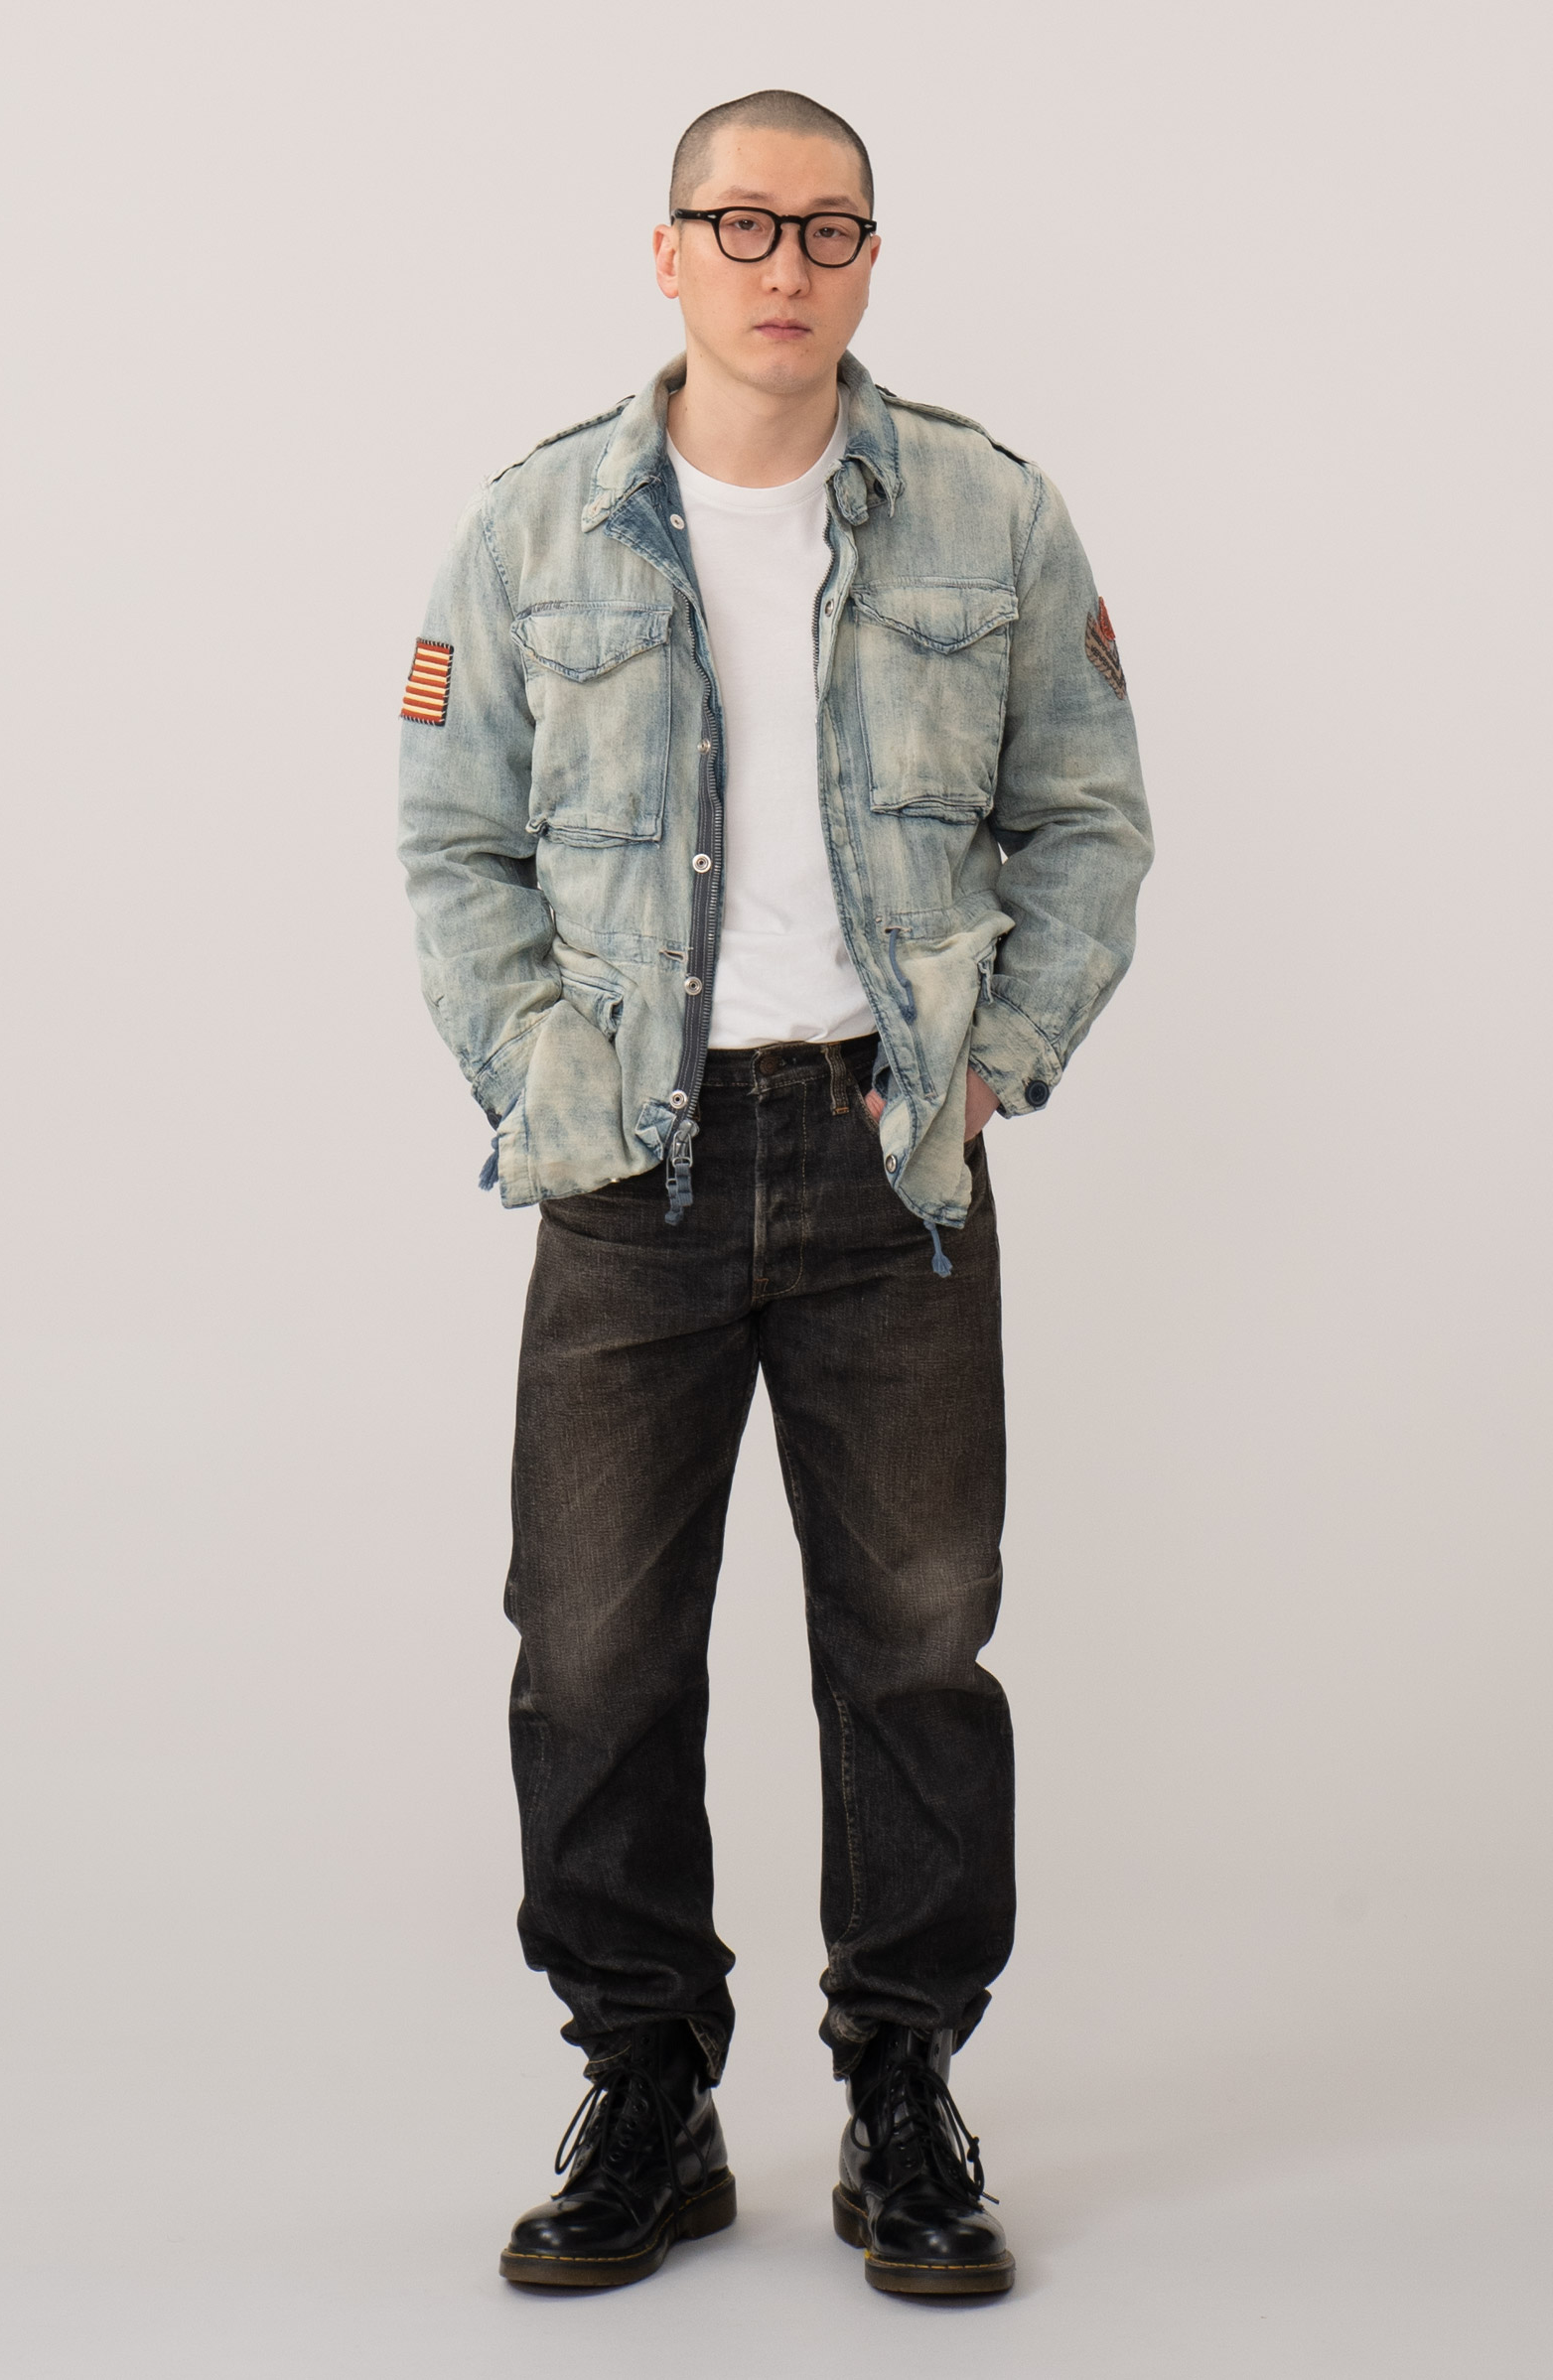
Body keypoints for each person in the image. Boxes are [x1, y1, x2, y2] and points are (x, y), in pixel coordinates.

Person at [398, 88, 1151, 2299]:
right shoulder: (536, 523)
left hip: (885, 1165)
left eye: (825, 228)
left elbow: (1087, 817)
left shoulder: (990, 515)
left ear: (867, 257)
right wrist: (544, 1077)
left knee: (915, 1641)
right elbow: (454, 840)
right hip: (627, 1165)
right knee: (591, 1651)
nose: (782, 264)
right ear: (668, 253)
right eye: (739, 223)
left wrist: (995, 1059)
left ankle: (902, 2083)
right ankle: (646, 2082)